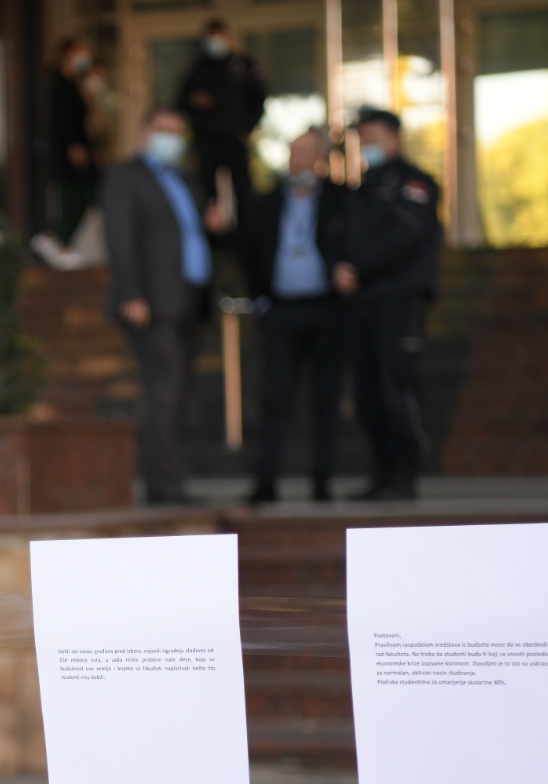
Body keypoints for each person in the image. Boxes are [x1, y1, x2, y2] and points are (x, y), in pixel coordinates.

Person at [102, 108, 218, 505]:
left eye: (178, 131)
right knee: (165, 394)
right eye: (165, 130)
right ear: (144, 132)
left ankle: (164, 481)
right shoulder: (124, 176)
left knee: (178, 394)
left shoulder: (185, 179)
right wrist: (132, 293)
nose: (173, 138)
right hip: (151, 304)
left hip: (189, 302)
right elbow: (120, 238)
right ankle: (164, 487)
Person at [332, 106, 442, 501]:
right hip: (362, 304)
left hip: (398, 301)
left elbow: (405, 236)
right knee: (368, 392)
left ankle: (405, 471)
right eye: (364, 136)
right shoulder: (359, 191)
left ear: (395, 138)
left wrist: (358, 266)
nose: (370, 144)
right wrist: (339, 268)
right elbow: (339, 237)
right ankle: (381, 471)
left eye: (375, 135)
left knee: (398, 385)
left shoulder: (415, 183)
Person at [240, 128, 347, 504]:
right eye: (291, 153)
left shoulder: (340, 200)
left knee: (326, 396)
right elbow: (249, 251)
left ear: (319, 159)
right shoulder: (267, 202)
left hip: (327, 311)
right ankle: (265, 482)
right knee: (273, 396)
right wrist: (262, 298)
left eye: (302, 153)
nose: (294, 160)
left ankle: (322, 481)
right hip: (281, 311)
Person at [176, 19, 266, 198]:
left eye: (219, 36)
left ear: (228, 37)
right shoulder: (197, 69)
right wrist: (194, 101)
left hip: (235, 138)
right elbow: (180, 102)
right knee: (205, 189)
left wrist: (247, 129)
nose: (215, 42)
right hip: (206, 141)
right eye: (211, 37)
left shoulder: (242, 65)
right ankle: (209, 224)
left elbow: (259, 99)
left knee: (242, 189)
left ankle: (246, 226)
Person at [32, 37, 101, 266]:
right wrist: (74, 145)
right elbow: (60, 121)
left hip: (79, 152)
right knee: (73, 198)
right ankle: (53, 239)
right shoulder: (59, 84)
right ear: (67, 54)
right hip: (68, 155)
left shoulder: (74, 84)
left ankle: (62, 243)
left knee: (87, 195)